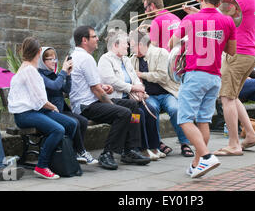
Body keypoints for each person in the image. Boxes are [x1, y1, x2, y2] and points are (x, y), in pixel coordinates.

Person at [169, 0, 237, 178]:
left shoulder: (190, 19)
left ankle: (207, 157)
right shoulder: (228, 21)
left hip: (195, 75)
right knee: (203, 120)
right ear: (219, 2)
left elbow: (171, 43)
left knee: (184, 119)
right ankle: (197, 164)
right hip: (214, 76)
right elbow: (231, 51)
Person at [69, 26, 150, 170]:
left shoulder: (78, 56)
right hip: (86, 106)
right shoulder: (86, 58)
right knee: (123, 113)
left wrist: (103, 86)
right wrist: (112, 104)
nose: (97, 39)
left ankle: (130, 149)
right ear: (84, 40)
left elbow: (93, 85)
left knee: (133, 107)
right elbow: (96, 91)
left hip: (91, 100)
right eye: (94, 36)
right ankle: (107, 153)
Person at [8, 37, 77, 180]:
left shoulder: (29, 68)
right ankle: (42, 165)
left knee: (71, 123)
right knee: (58, 129)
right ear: (39, 51)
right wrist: (53, 108)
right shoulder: (29, 71)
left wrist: (50, 108)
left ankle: (62, 159)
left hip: (35, 111)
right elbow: (40, 100)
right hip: (25, 115)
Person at [97, 29, 163, 161]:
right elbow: (112, 81)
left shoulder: (126, 60)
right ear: (115, 45)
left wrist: (140, 89)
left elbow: (135, 77)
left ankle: (153, 146)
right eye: (125, 43)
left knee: (151, 109)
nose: (128, 46)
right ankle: (140, 148)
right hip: (116, 99)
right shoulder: (105, 59)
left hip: (130, 98)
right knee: (139, 114)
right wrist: (133, 88)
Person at [216, 0, 255, 154]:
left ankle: (234, 144)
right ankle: (250, 134)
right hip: (248, 53)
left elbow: (216, 18)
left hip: (238, 53)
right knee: (233, 96)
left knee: (226, 97)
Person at [129, 29, 194, 158]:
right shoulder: (132, 59)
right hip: (149, 95)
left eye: (132, 45)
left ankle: (184, 143)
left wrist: (141, 74)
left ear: (140, 44)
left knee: (175, 109)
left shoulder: (160, 53)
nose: (131, 49)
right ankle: (157, 143)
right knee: (151, 111)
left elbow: (163, 76)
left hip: (167, 93)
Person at [38, 47, 98, 165]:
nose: (54, 62)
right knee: (74, 121)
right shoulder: (41, 75)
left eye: (55, 59)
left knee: (83, 121)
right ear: (42, 61)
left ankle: (76, 151)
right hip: (49, 111)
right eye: (50, 59)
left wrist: (69, 75)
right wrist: (63, 72)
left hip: (60, 110)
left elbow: (66, 89)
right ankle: (80, 151)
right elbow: (54, 86)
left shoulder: (53, 74)